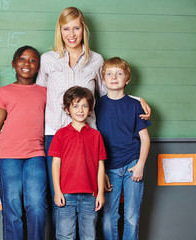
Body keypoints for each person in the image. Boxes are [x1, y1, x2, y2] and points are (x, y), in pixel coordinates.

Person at [36, 6, 151, 235]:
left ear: (84, 30)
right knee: (59, 197)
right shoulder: (47, 60)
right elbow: (37, 97)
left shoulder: (96, 60)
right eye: (66, 28)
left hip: (87, 137)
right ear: (59, 31)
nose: (71, 33)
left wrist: (139, 99)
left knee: (89, 197)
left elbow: (108, 94)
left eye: (76, 28)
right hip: (55, 135)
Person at [0, 46, 47, 240]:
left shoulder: (44, 92)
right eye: (22, 59)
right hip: (7, 155)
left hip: (36, 154)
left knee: (36, 205)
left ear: (38, 66)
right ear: (14, 64)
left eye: (33, 60)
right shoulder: (4, 91)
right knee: (12, 206)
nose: (27, 63)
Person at [95, 57, 151, 240]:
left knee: (131, 217)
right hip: (108, 167)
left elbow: (145, 139)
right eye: (109, 74)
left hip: (132, 164)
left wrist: (141, 164)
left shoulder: (136, 105)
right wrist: (100, 171)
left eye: (119, 74)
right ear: (103, 79)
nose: (114, 77)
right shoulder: (97, 106)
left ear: (127, 79)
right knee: (108, 218)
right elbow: (93, 140)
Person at [48, 86, 106, 240]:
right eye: (75, 106)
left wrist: (100, 193)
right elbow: (55, 165)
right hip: (66, 195)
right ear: (67, 109)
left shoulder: (96, 136)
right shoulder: (61, 134)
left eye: (85, 106)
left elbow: (101, 166)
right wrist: (57, 191)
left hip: (90, 196)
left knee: (89, 236)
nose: (80, 110)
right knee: (65, 236)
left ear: (90, 109)